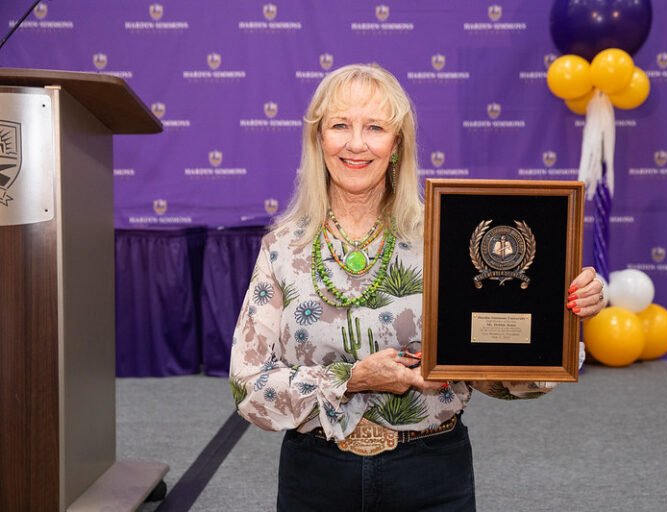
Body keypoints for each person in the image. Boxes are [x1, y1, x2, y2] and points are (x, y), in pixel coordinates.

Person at [229, 64, 606, 511]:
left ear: (396, 146)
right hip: (315, 478)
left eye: (374, 127)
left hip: (431, 476)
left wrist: (556, 318)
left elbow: (510, 382)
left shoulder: (448, 238)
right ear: (318, 140)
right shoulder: (281, 249)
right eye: (339, 126)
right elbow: (249, 388)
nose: (355, 143)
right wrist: (350, 378)